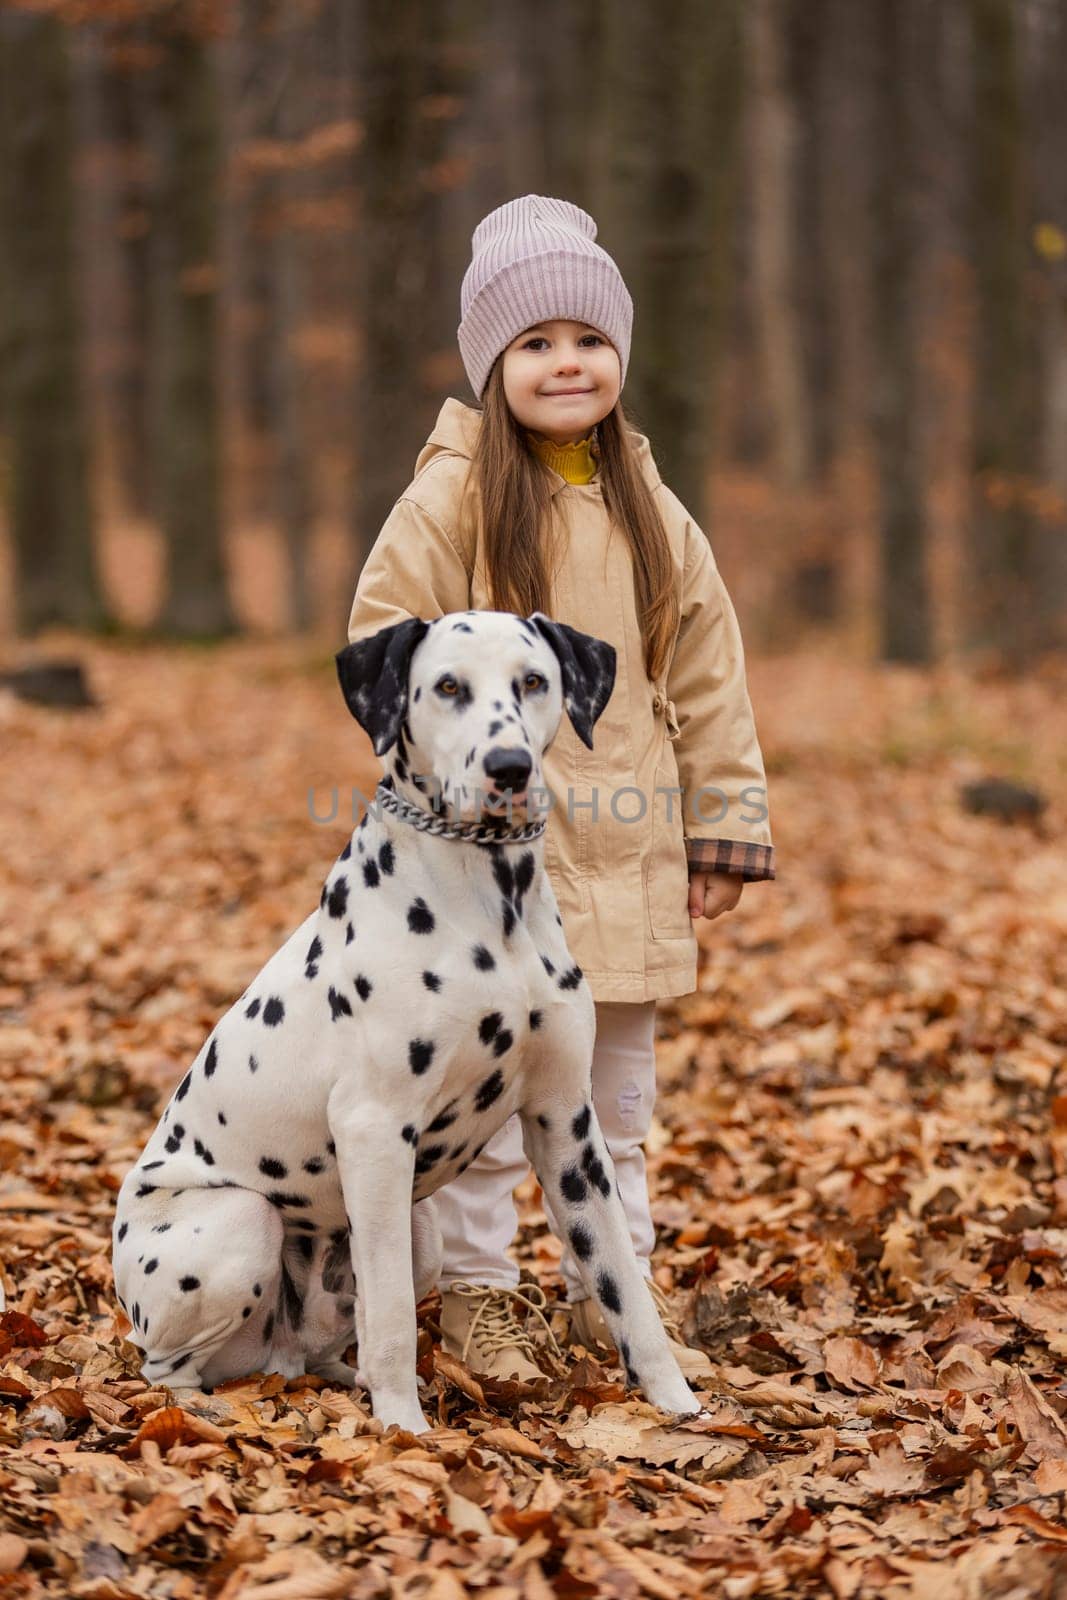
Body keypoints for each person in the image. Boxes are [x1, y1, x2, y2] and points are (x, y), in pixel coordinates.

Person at [346, 194, 776, 1383]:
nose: (564, 362)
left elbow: (709, 667)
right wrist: (433, 771)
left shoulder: (649, 507)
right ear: (492, 366)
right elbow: (385, 638)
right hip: (482, 860)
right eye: (532, 344)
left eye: (585, 339)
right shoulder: (451, 498)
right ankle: (481, 1294)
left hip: (628, 847)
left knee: (613, 1094)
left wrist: (725, 822)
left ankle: (613, 1291)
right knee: (488, 1093)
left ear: (617, 358)